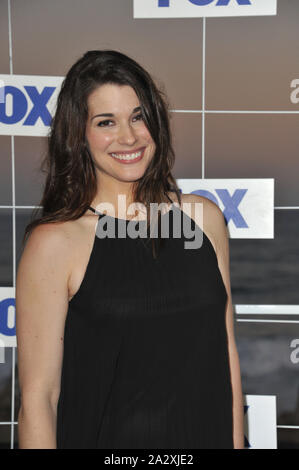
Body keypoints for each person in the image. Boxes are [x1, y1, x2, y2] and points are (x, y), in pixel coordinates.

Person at [16, 50, 244, 449]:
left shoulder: (204, 220)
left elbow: (226, 353)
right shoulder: (55, 242)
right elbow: (40, 399)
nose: (129, 137)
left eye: (138, 117)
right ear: (79, 136)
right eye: (106, 122)